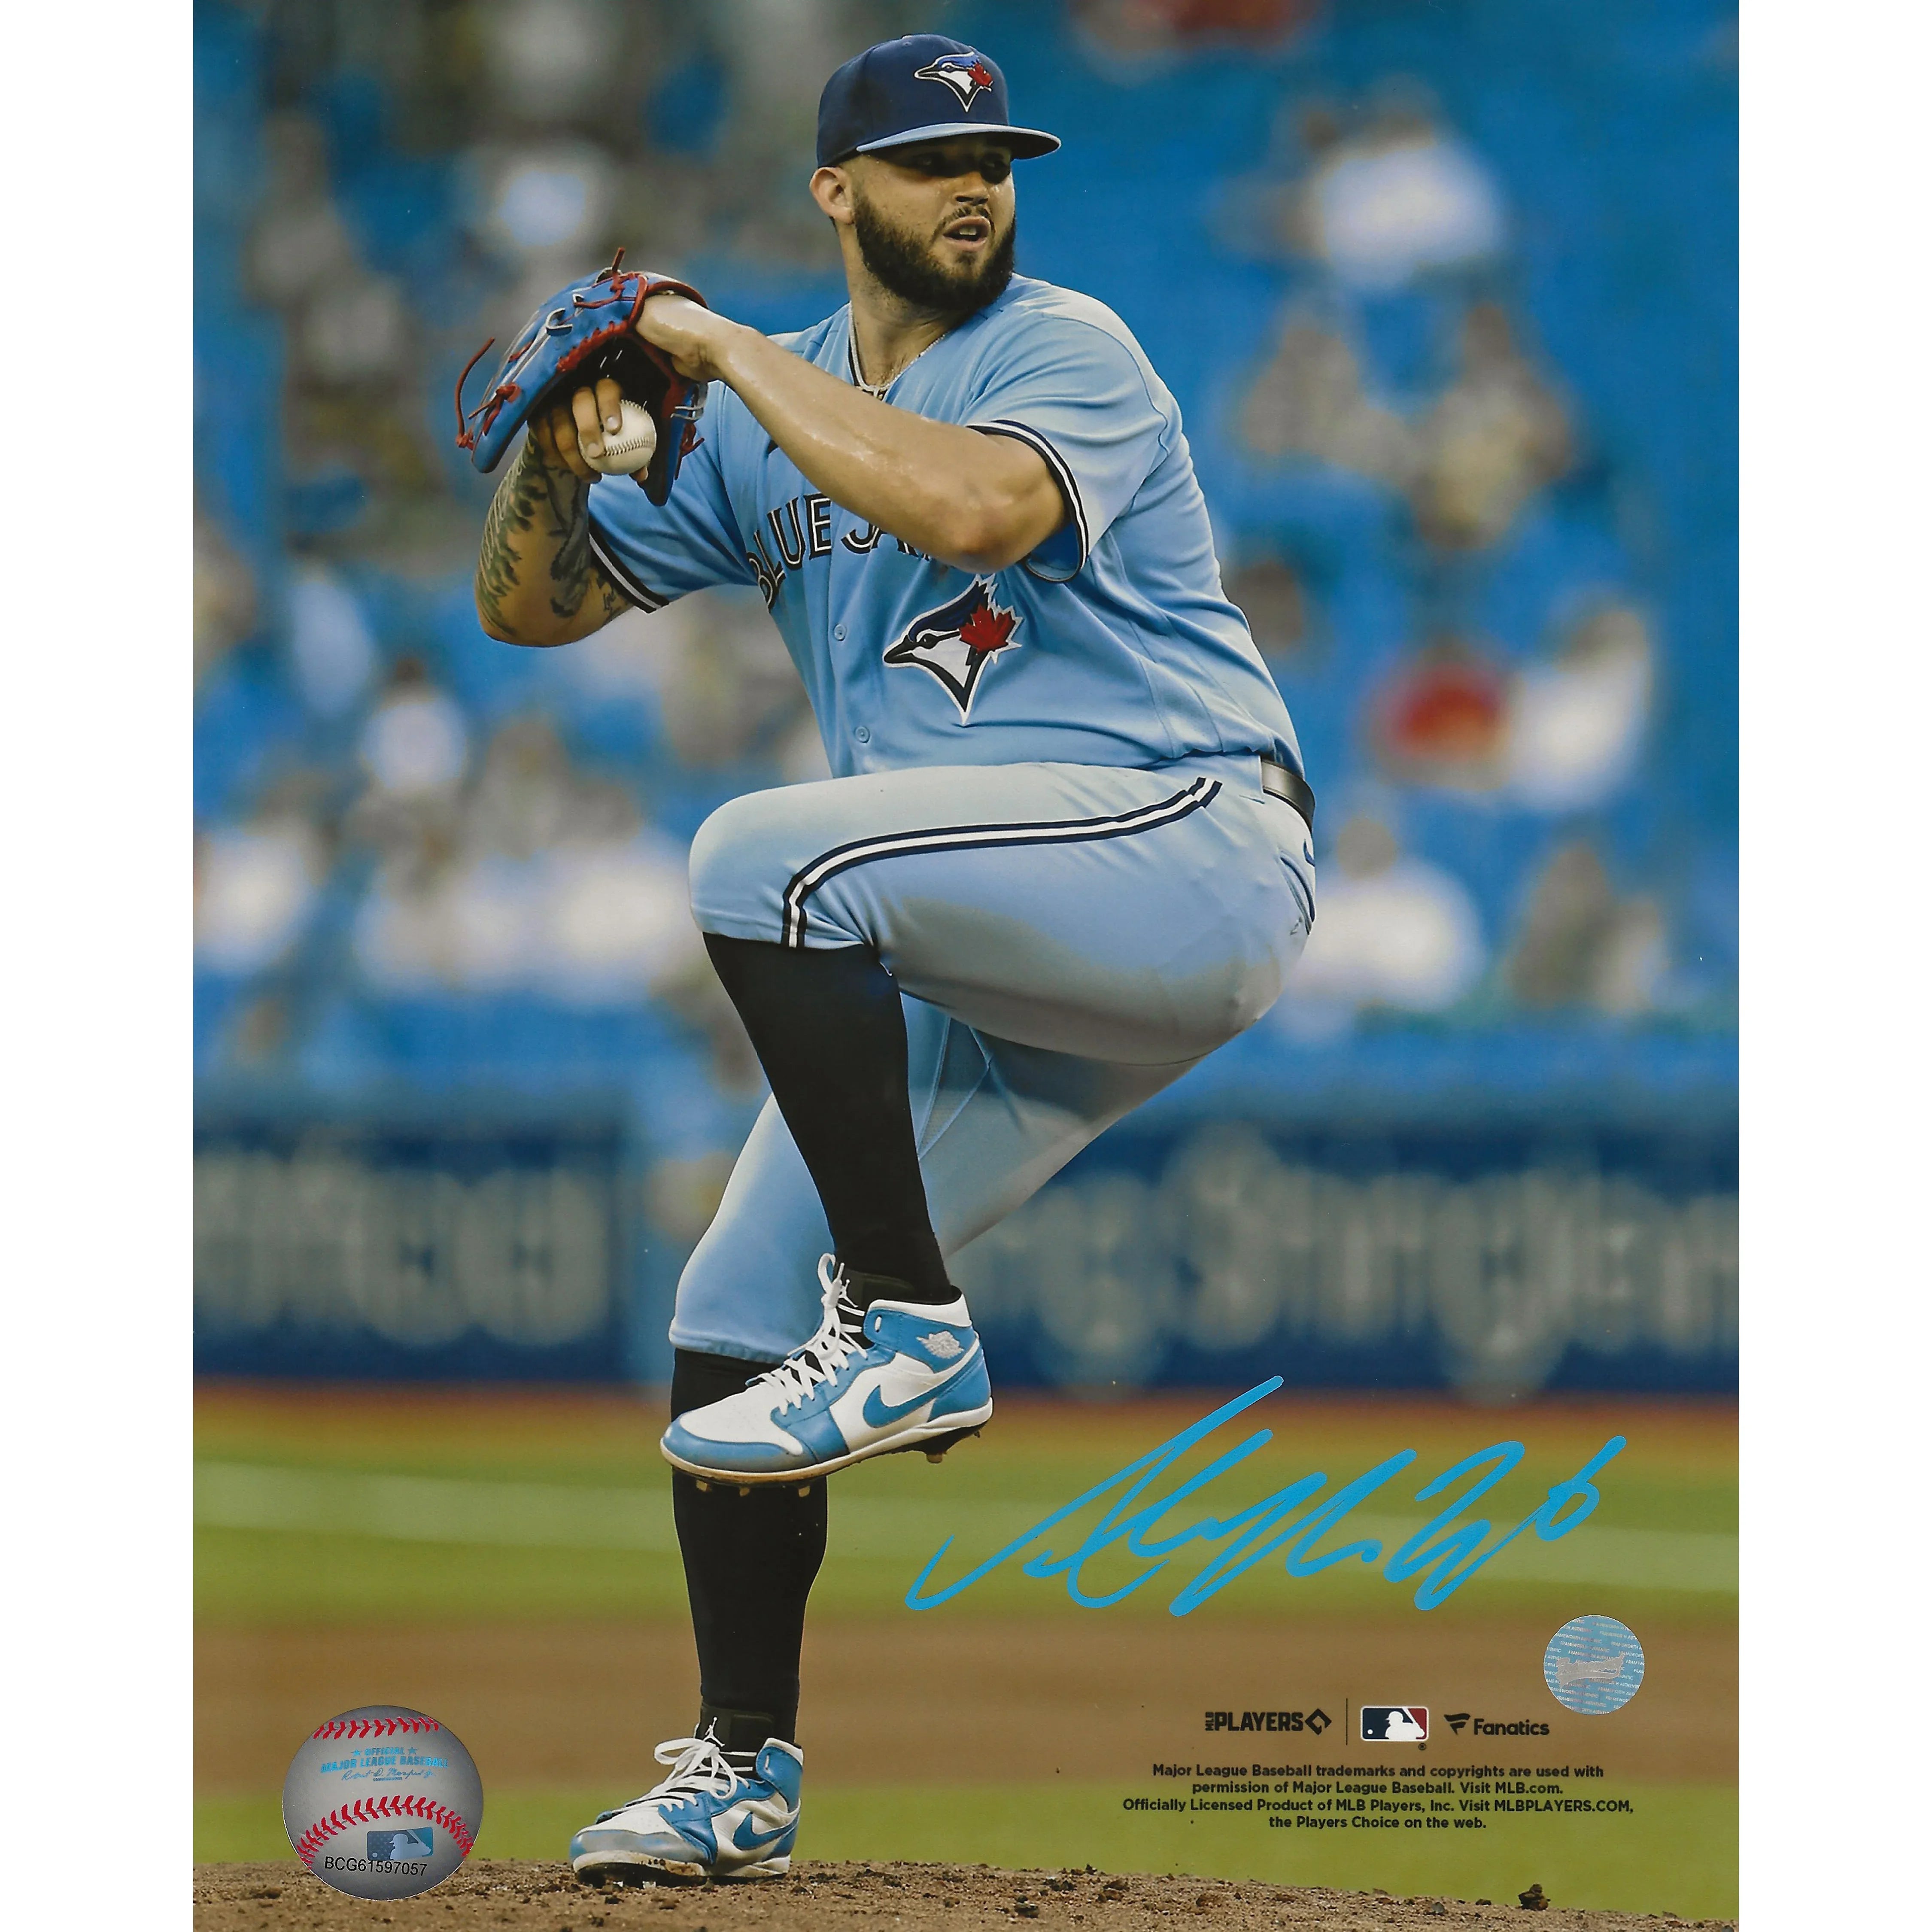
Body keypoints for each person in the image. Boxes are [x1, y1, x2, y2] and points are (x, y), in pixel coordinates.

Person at [473, 33, 1318, 1887]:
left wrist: (716, 350)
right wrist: (562, 449)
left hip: (1185, 842)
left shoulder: (1063, 350)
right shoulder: (767, 430)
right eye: (933, 159)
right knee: (733, 1308)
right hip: (996, 940)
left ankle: (916, 1328)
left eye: (996, 157)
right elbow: (527, 609)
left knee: (763, 857)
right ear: (836, 191)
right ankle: (737, 1773)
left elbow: (971, 512)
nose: (976, 187)